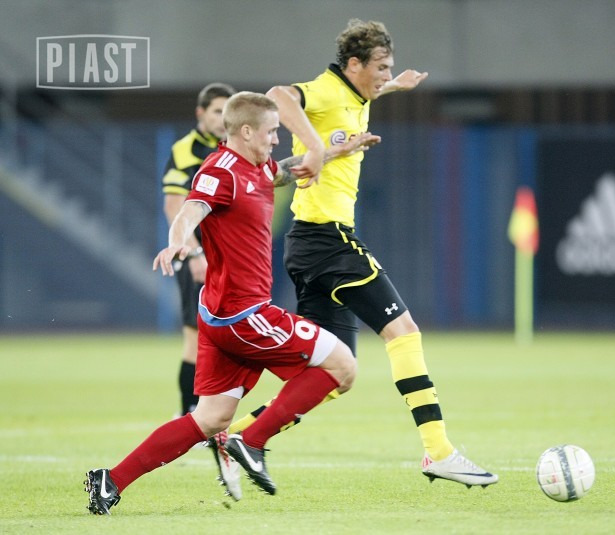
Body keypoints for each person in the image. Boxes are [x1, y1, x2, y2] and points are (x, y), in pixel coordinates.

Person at [225, 19, 499, 489]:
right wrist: (315, 146)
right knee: (404, 333)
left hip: (307, 245)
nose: (385, 74)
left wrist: (393, 85)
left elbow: (357, 97)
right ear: (353, 64)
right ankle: (439, 452)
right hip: (329, 240)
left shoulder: (356, 95)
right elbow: (278, 95)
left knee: (334, 372)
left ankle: (239, 437)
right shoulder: (327, 91)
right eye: (381, 67)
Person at [85, 91, 378, 515]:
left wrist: (336, 151)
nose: (276, 139)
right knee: (343, 367)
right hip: (244, 314)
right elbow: (191, 209)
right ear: (246, 131)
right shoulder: (220, 170)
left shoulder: (257, 167)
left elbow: (283, 171)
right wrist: (179, 242)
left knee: (210, 419)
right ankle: (251, 440)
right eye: (272, 131)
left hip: (221, 316)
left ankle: (111, 481)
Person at [160, 82, 242, 499]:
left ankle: (207, 418)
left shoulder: (235, 149)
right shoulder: (185, 150)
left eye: (227, 112)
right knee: (195, 338)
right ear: (200, 114)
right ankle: (190, 415)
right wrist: (192, 251)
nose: (221, 119)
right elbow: (175, 205)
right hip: (198, 257)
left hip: (229, 257)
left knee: (224, 339)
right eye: (215, 112)